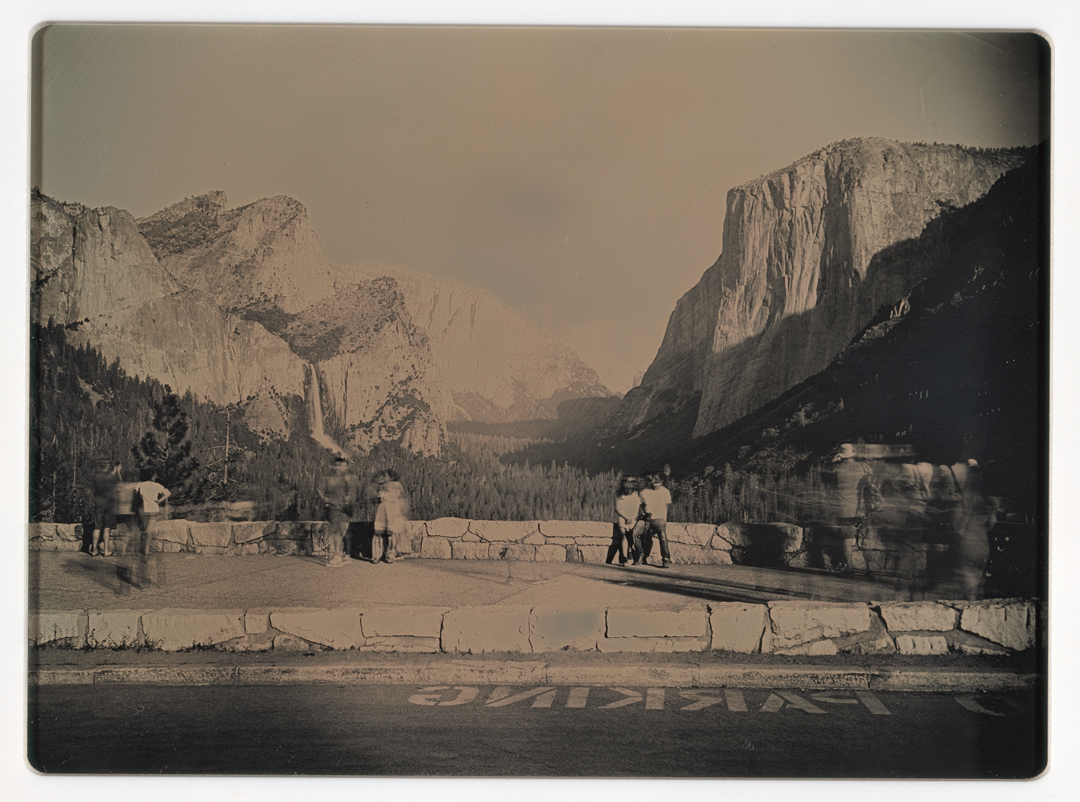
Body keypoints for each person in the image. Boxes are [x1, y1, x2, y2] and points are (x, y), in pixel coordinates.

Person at [945, 459, 999, 600]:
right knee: (978, 588)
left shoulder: (962, 500)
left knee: (969, 593)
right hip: (983, 546)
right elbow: (990, 524)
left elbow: (958, 529)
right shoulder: (983, 499)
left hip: (968, 546)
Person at [830, 443, 873, 574]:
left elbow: (828, 481)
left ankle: (849, 569)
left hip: (844, 510)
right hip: (860, 509)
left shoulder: (837, 470)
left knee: (847, 540)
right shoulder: (862, 467)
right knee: (864, 540)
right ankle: (869, 570)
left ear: (841, 455)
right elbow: (870, 485)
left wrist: (834, 462)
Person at [122, 473, 171, 588]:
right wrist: (159, 500)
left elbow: (134, 494)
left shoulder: (141, 485)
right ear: (152, 476)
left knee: (144, 529)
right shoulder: (156, 485)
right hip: (154, 508)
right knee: (150, 528)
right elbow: (168, 493)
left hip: (143, 509)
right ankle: (146, 548)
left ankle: (144, 544)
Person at [317, 457, 360, 568]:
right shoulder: (327, 478)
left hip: (343, 507)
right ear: (335, 466)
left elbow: (351, 490)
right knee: (336, 531)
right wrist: (327, 499)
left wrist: (348, 498)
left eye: (345, 466)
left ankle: (342, 554)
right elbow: (319, 490)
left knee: (342, 530)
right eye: (342, 465)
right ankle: (337, 555)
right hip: (333, 507)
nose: (344, 468)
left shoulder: (345, 478)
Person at [637, 472, 673, 568]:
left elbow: (668, 506)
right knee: (654, 537)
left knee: (660, 536)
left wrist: (665, 517)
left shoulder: (664, 491)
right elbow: (640, 504)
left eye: (656, 479)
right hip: (649, 519)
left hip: (659, 518)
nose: (654, 481)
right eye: (653, 479)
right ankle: (663, 558)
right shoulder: (645, 492)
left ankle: (664, 558)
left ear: (660, 481)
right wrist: (644, 514)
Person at [372, 469, 408, 564]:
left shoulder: (397, 485)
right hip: (381, 511)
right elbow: (377, 498)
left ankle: (390, 555)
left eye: (386, 476)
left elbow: (399, 498)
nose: (384, 478)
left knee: (391, 534)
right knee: (378, 534)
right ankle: (376, 555)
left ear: (391, 477)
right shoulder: (381, 486)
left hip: (392, 512)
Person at [606, 476, 642, 566]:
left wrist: (635, 518)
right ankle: (625, 557)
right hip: (622, 518)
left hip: (634, 518)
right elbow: (618, 509)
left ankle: (632, 556)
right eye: (626, 482)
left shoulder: (638, 494)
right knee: (624, 535)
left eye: (631, 482)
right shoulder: (619, 494)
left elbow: (640, 508)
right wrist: (626, 518)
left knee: (632, 536)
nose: (628, 484)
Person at [89, 459, 121, 557]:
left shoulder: (96, 476)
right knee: (107, 528)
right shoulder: (111, 476)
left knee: (97, 527)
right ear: (107, 465)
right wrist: (117, 471)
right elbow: (120, 483)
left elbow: (92, 488)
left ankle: (94, 550)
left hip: (98, 503)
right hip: (109, 504)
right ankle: (106, 551)